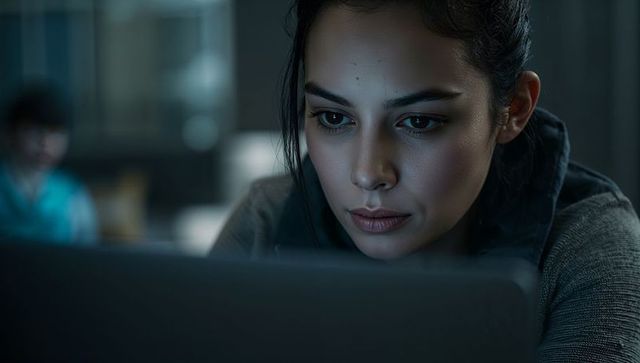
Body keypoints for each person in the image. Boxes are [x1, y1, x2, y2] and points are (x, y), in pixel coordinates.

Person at [212, 0, 640, 361]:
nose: (368, 174)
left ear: (514, 107)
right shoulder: (263, 226)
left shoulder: (587, 253)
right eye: (334, 117)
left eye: (418, 121)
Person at [0, 82, 98, 245]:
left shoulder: (72, 193)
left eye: (56, 133)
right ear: (10, 134)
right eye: (34, 131)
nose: (45, 142)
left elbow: (88, 248)